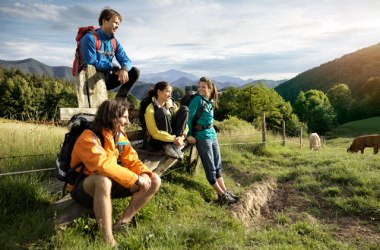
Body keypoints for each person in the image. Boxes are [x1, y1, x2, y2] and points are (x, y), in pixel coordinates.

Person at [69, 100, 161, 248]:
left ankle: (122, 222)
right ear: (112, 117)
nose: (128, 122)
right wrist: (135, 178)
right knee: (102, 180)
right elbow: (103, 166)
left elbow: (132, 160)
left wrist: (143, 173)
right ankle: (108, 241)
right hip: (82, 188)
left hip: (109, 184)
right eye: (124, 117)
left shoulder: (118, 136)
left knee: (154, 179)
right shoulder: (88, 137)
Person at [187, 77, 239, 205]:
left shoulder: (210, 101)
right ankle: (221, 196)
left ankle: (225, 191)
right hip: (202, 136)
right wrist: (189, 134)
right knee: (210, 167)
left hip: (212, 135)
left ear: (210, 88)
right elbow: (188, 118)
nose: (200, 89)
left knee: (217, 166)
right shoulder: (197, 100)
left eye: (203, 87)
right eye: (199, 87)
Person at [80, 7, 139, 100]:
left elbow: (126, 60)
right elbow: (91, 62)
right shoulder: (89, 38)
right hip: (89, 80)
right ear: (104, 21)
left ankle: (119, 101)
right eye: (115, 22)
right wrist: (112, 66)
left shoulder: (114, 42)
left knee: (134, 72)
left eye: (118, 24)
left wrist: (124, 69)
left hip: (105, 79)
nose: (117, 26)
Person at [142, 81, 189, 159]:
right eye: (167, 91)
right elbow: (154, 133)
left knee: (184, 109)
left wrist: (181, 137)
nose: (170, 94)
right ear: (159, 92)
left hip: (173, 139)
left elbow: (184, 124)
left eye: (171, 92)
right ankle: (169, 145)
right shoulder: (150, 109)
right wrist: (173, 139)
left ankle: (174, 146)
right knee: (162, 111)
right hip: (156, 142)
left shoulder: (171, 105)